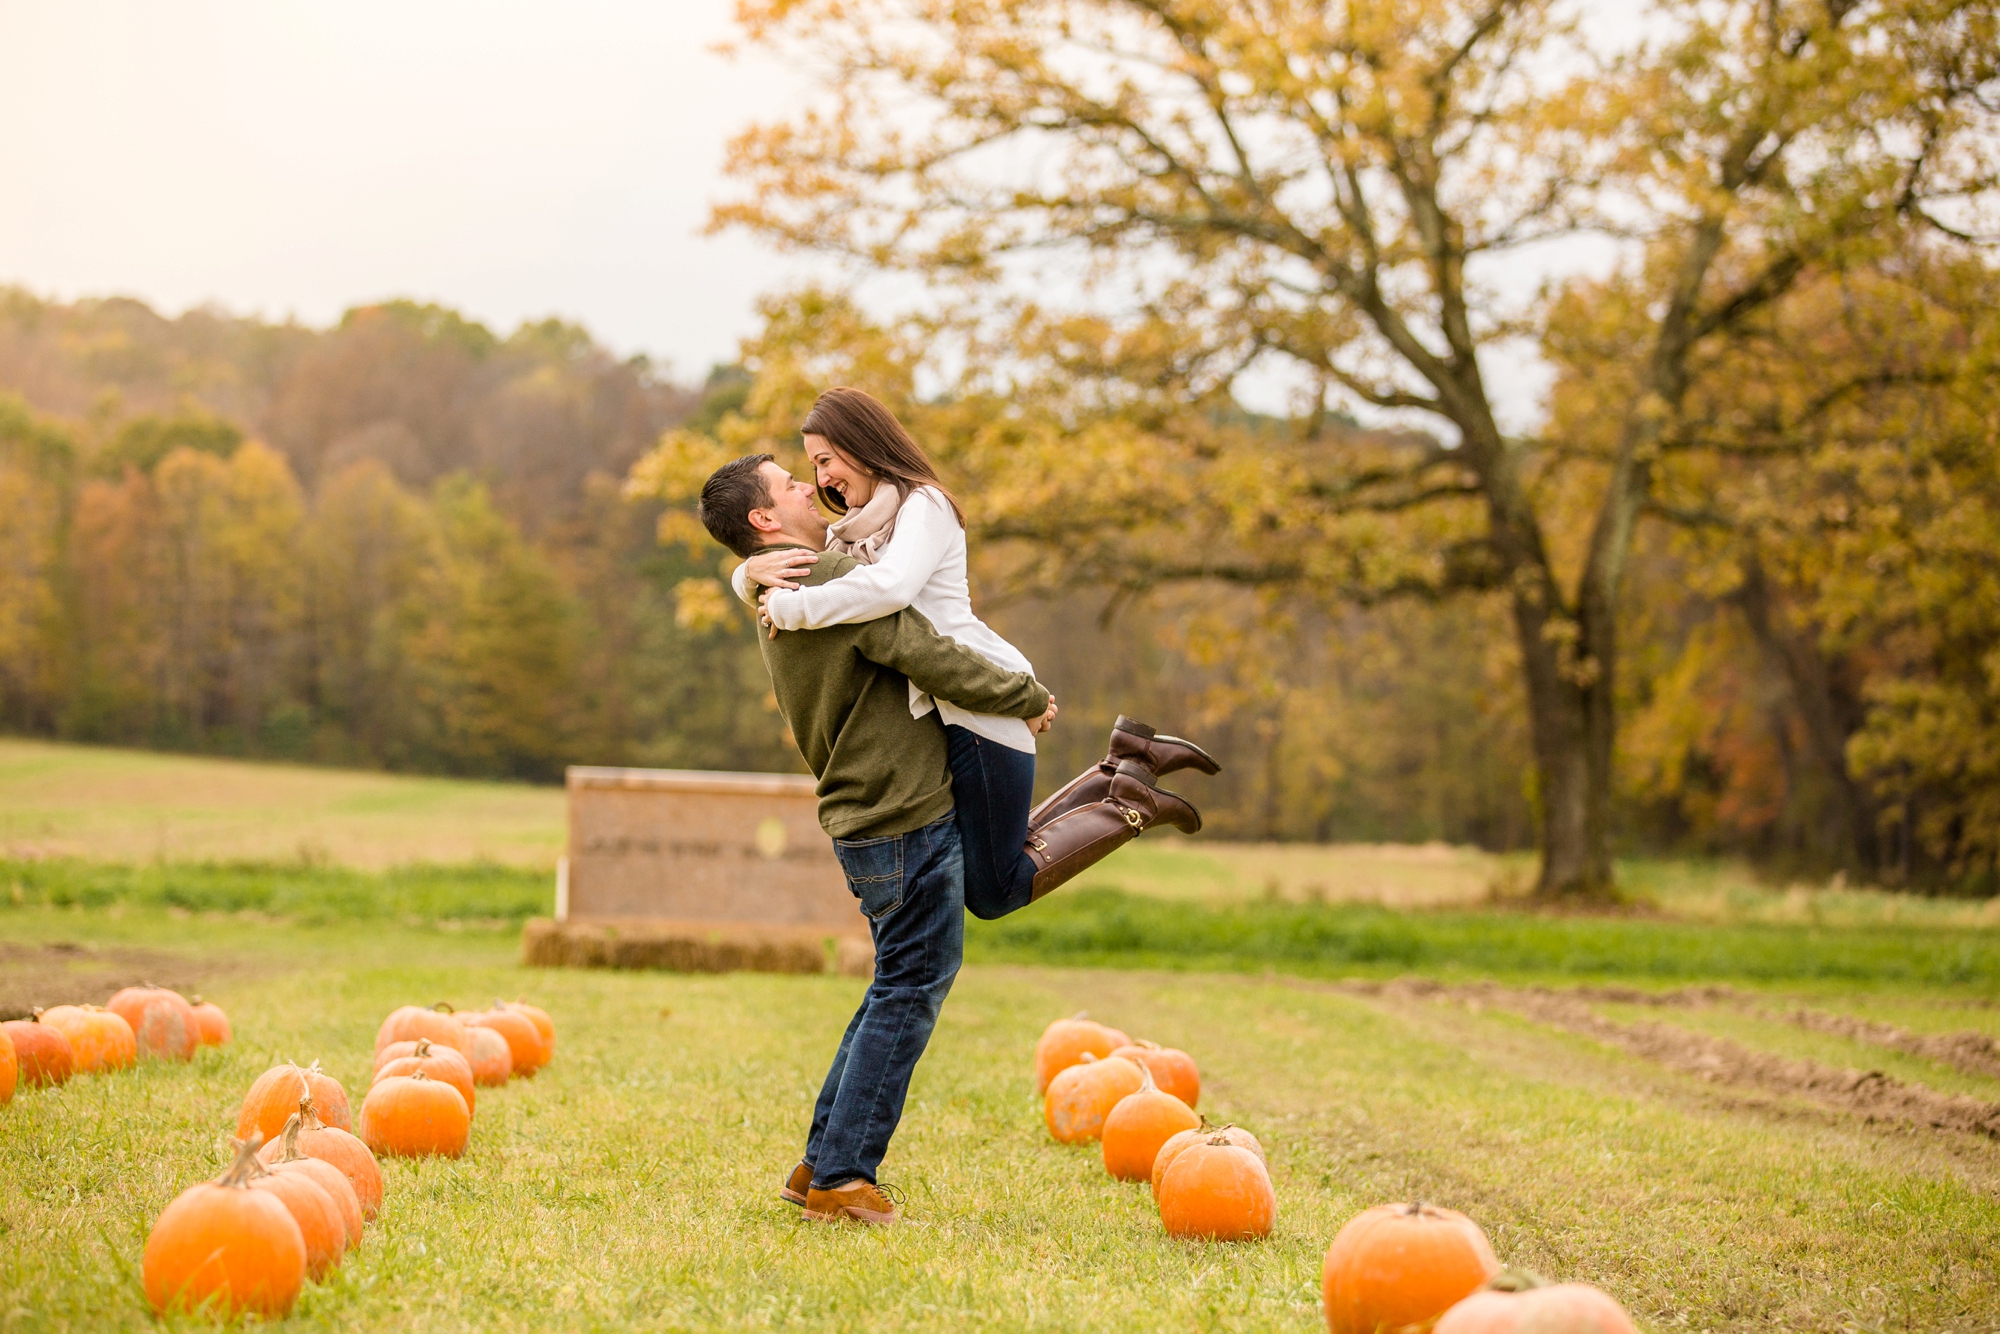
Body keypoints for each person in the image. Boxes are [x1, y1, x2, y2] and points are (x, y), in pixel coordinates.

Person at [696, 451, 1197, 1226]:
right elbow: (918, 647)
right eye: (790, 483)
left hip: (869, 814)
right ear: (764, 520)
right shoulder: (818, 584)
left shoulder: (786, 583)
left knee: (893, 985)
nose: (808, 486)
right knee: (908, 991)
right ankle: (841, 1177)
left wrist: (743, 575)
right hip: (899, 813)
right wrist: (1024, 694)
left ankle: (821, 1162)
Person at [733, 386, 1219, 917]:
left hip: (981, 692)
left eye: (824, 460)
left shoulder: (925, 505)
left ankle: (1132, 804)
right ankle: (1126, 763)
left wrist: (793, 609)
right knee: (997, 856)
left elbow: (890, 590)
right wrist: (746, 572)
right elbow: (798, 560)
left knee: (993, 890)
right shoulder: (854, 533)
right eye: (812, 466)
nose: (821, 479)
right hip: (953, 702)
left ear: (860, 442)